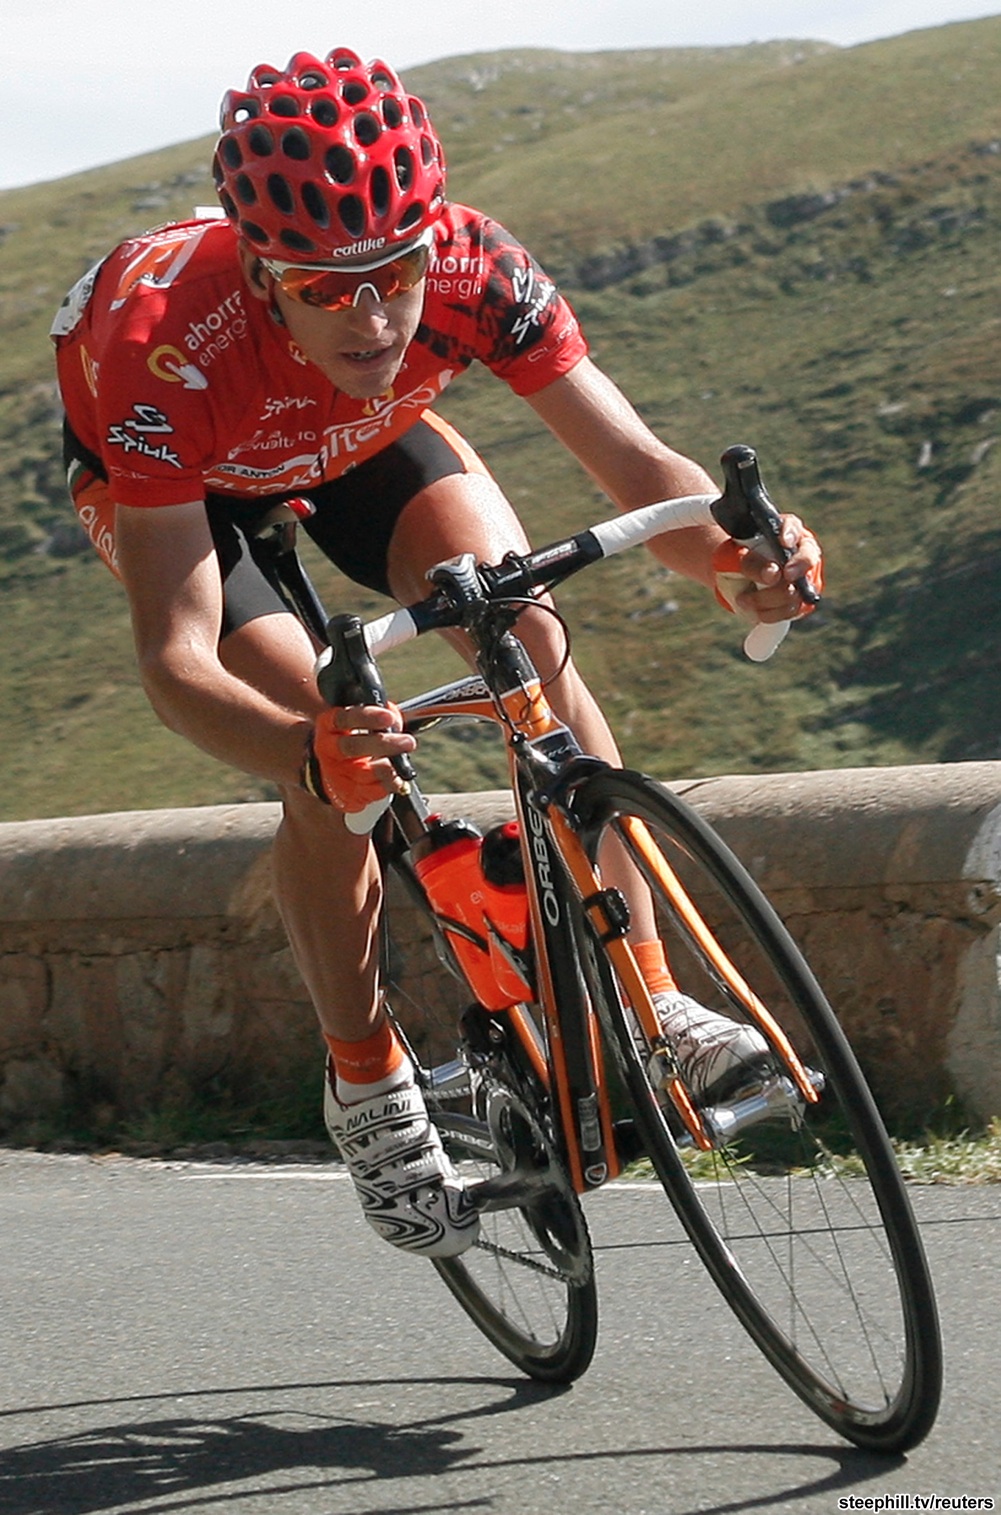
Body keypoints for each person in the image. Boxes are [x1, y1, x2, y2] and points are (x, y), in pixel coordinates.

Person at [51, 47, 823, 1260]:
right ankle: (366, 1087)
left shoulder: (475, 266)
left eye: (395, 273)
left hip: (361, 445)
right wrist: (308, 759)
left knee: (517, 622)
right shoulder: (164, 344)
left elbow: (640, 477)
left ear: (429, 242)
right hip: (188, 485)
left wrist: (734, 559)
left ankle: (653, 1003)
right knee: (331, 758)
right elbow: (175, 656)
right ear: (263, 276)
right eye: (325, 286)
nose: (372, 314)